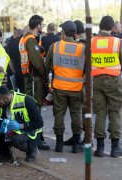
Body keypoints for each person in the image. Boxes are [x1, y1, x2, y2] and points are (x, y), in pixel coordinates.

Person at [46, 21, 85, 153]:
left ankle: (59, 145)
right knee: (76, 115)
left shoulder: (55, 46)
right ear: (74, 33)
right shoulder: (82, 48)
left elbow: (47, 64)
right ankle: (75, 144)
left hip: (60, 88)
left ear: (63, 32)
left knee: (59, 114)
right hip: (76, 88)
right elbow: (86, 69)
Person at [91, 16, 122, 158]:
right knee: (115, 112)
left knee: (100, 113)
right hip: (114, 81)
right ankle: (115, 148)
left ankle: (100, 148)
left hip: (97, 80)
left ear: (100, 26)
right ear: (112, 28)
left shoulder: (91, 42)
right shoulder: (117, 42)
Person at [19, 15, 50, 150]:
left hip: (28, 78)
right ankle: (37, 139)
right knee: (34, 108)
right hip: (33, 79)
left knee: (31, 108)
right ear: (37, 25)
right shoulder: (31, 40)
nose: (42, 28)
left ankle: (36, 138)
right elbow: (37, 61)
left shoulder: (24, 39)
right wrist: (45, 75)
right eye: (42, 25)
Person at [63, 19, 86, 146]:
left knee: (82, 112)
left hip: (83, 84)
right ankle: (77, 137)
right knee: (78, 112)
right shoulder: (83, 42)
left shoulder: (83, 44)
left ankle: (85, 139)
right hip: (80, 83)